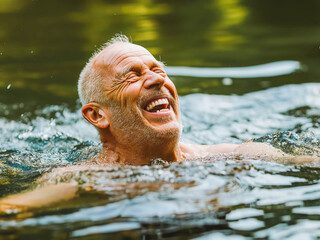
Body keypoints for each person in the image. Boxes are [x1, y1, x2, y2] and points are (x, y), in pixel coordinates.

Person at [0, 34, 297, 213]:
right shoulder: (82, 177)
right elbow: (16, 208)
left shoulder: (233, 155)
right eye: (132, 75)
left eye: (159, 70)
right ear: (97, 115)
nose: (158, 79)